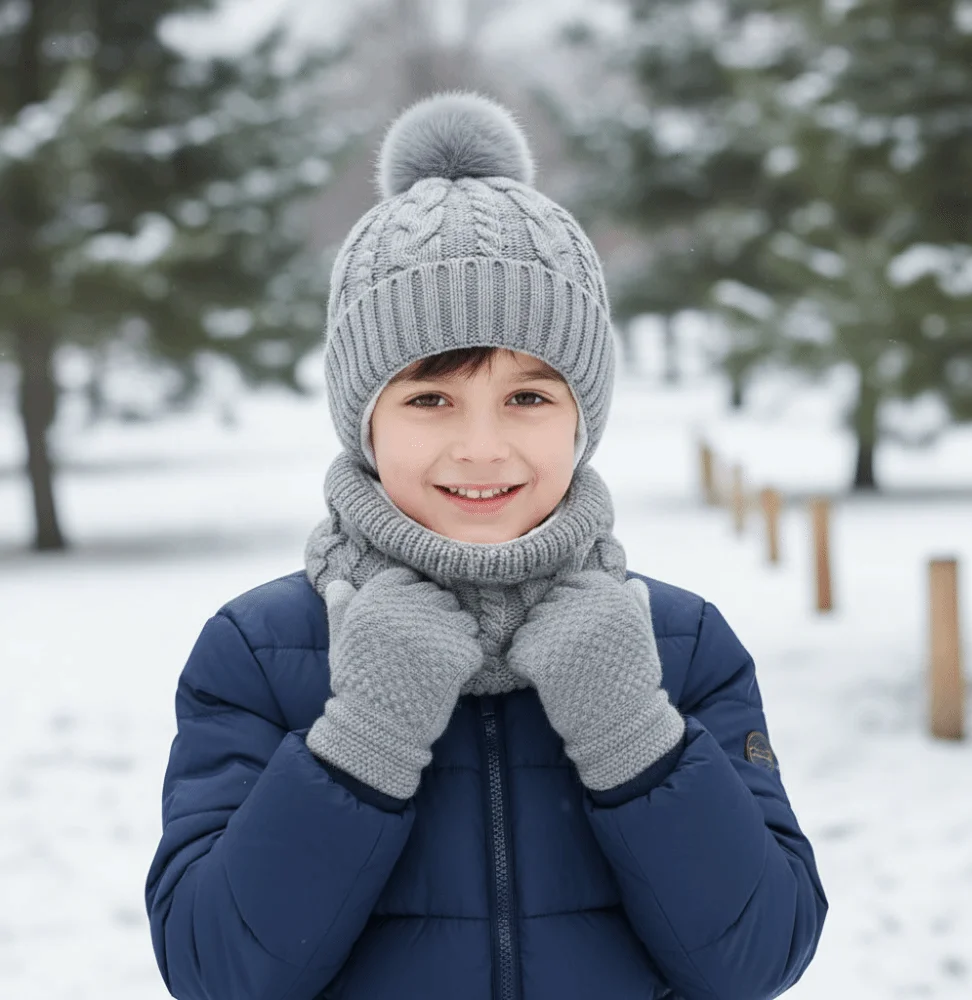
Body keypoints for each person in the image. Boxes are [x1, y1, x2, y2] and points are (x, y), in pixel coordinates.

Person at [144, 90, 827, 1000]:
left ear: (584, 420)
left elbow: (757, 959)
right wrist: (365, 734)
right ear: (365, 422)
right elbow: (216, 971)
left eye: (529, 398)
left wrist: (632, 728)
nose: (481, 446)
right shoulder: (260, 652)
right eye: (430, 399)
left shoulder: (679, 643)